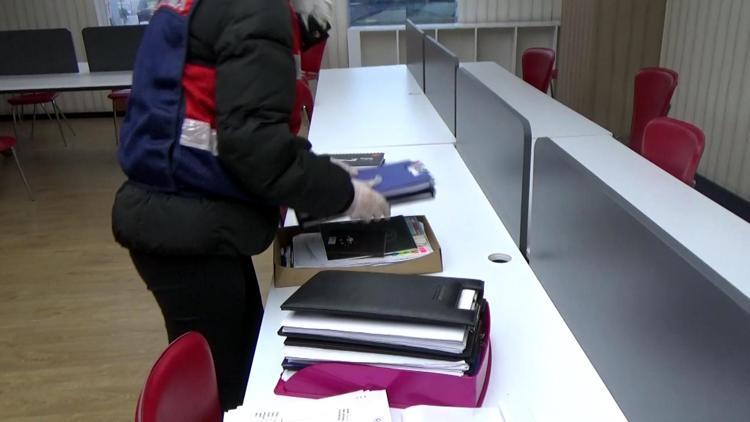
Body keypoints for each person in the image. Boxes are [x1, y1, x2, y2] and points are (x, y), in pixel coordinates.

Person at [111, 0, 389, 411]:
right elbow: (257, 150)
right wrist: (345, 194)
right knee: (223, 390)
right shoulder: (256, 8)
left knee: (244, 364)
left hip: (181, 211)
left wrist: (321, 171)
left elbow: (232, 120)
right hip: (188, 226)